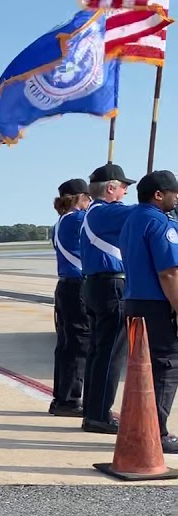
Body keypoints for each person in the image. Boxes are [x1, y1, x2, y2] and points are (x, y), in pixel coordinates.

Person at [119, 170, 178, 453]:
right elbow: (169, 273)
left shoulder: (131, 220)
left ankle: (140, 426)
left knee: (142, 370)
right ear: (159, 194)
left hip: (133, 302)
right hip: (156, 305)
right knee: (165, 367)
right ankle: (158, 433)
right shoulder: (159, 223)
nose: (176, 198)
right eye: (173, 193)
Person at [79, 162, 135, 435]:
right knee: (111, 354)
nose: (126, 192)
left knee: (100, 352)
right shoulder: (107, 212)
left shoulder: (94, 213)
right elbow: (146, 213)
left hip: (96, 286)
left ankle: (93, 411)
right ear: (111, 188)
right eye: (124, 187)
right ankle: (100, 415)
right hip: (111, 287)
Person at [49, 178, 92, 417]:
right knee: (78, 344)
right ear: (80, 198)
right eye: (88, 198)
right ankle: (69, 399)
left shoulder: (61, 222)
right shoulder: (78, 219)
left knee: (66, 345)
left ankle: (62, 396)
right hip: (78, 286)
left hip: (66, 286)